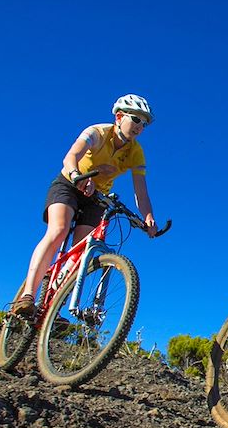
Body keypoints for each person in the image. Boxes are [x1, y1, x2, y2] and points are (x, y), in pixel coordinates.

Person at [11, 94, 159, 318]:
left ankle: (52, 311)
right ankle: (28, 296)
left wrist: (148, 216)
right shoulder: (97, 132)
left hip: (97, 196)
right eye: (136, 119)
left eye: (145, 123)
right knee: (58, 230)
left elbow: (141, 191)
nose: (141, 126)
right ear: (119, 117)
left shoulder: (136, 152)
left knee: (81, 252)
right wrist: (77, 176)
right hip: (69, 184)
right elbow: (71, 156)